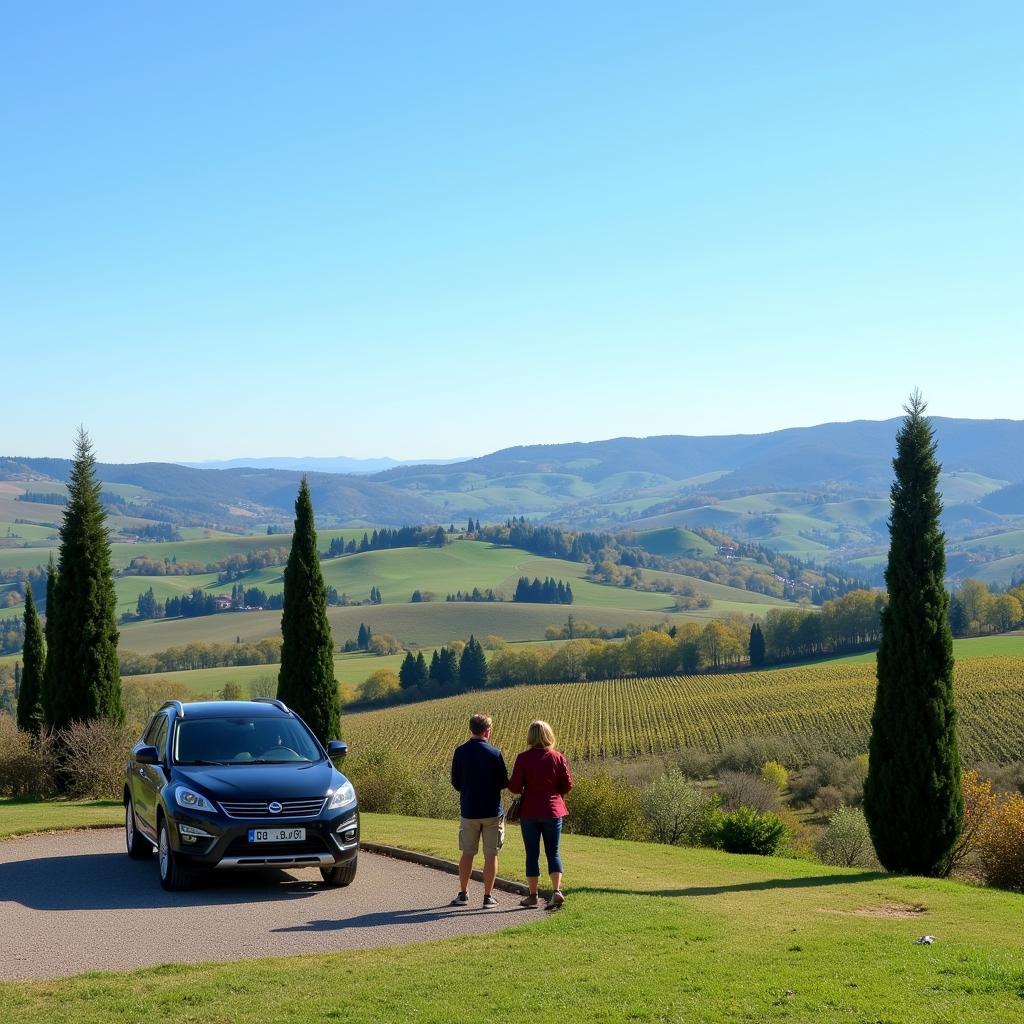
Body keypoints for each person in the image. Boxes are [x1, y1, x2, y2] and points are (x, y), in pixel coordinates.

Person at [508, 719, 573, 910]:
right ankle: (556, 891)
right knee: (553, 852)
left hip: (529, 811)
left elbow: (514, 787)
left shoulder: (523, 758)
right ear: (549, 735)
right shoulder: (558, 757)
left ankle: (533, 895)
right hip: (553, 810)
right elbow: (568, 785)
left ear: (530, 736)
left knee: (532, 853)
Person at [449, 712, 509, 908]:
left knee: (467, 853)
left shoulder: (460, 752)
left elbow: (456, 782)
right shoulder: (495, 753)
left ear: (471, 729)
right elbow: (503, 782)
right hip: (492, 810)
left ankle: (463, 893)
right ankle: (487, 896)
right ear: (487, 731)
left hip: (469, 810)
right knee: (491, 854)